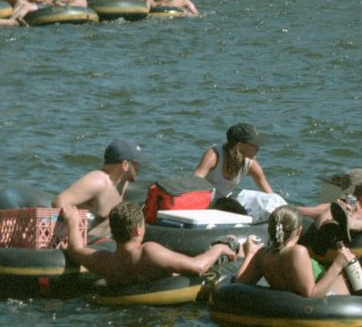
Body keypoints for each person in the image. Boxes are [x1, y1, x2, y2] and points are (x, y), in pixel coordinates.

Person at [235, 205, 362, 317]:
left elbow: (240, 284)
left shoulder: (263, 254)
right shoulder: (296, 252)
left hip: (296, 296)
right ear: (299, 230)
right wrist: (337, 264)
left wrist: (250, 254)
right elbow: (312, 295)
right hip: (326, 298)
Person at [60, 201, 237, 286]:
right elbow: (198, 267)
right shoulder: (148, 252)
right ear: (138, 230)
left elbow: (75, 250)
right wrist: (219, 248)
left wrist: (73, 222)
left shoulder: (106, 261)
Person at [53, 138, 148, 236]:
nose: (139, 167)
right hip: (88, 242)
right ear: (125, 165)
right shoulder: (98, 182)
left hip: (107, 242)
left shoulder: (123, 182)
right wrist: (75, 222)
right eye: (137, 164)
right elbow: (59, 202)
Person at [194, 122, 274, 198]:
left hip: (224, 202)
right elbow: (194, 182)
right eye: (254, 145)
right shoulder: (214, 155)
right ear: (240, 145)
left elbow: (271, 195)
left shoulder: (252, 165)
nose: (258, 149)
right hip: (204, 199)